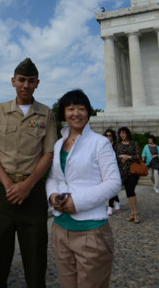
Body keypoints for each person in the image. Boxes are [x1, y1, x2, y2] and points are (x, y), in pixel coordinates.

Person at [0, 58, 57, 288]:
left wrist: (27, 186)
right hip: (2, 192)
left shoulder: (46, 113)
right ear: (13, 81)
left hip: (33, 193)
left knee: (36, 256)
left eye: (31, 81)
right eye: (21, 80)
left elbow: (48, 154)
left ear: (37, 83)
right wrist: (8, 185)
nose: (26, 85)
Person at [46, 89, 120, 288]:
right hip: (60, 229)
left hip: (91, 232)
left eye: (81, 108)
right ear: (64, 113)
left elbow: (114, 182)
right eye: (70, 109)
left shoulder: (100, 142)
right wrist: (52, 195)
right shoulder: (59, 143)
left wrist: (76, 202)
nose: (76, 113)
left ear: (88, 112)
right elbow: (54, 176)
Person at [115, 126, 141, 223]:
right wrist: (120, 157)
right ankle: (132, 213)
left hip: (133, 171)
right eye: (120, 133)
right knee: (128, 193)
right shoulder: (118, 145)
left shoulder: (134, 143)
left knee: (131, 191)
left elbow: (138, 156)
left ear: (127, 134)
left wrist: (128, 157)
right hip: (123, 172)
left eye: (124, 133)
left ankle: (136, 213)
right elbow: (115, 157)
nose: (122, 135)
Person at [104, 129, 121, 215]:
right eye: (106, 135)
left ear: (113, 136)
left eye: (110, 135)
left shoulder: (116, 145)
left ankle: (110, 207)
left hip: (116, 168)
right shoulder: (104, 145)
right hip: (106, 168)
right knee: (111, 187)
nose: (108, 137)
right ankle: (117, 201)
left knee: (112, 187)